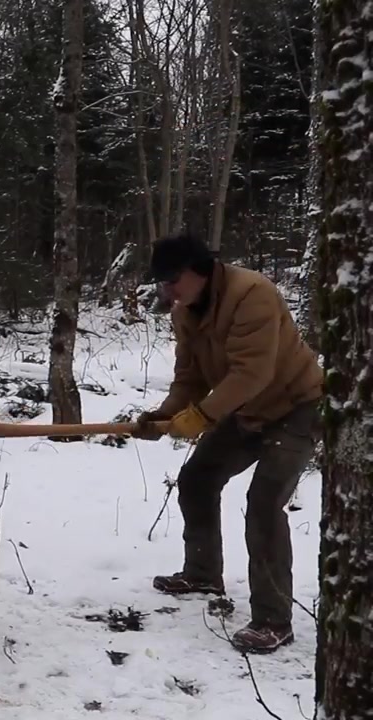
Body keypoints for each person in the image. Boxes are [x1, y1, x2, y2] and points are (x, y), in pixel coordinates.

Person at [135, 233, 323, 654]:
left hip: (295, 408)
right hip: (244, 410)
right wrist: (165, 416)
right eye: (161, 282)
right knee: (198, 479)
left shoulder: (252, 294)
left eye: (172, 279)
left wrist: (202, 416)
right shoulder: (185, 312)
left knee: (264, 502)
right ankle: (203, 573)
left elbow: (251, 372)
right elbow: (190, 378)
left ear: (199, 271)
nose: (167, 290)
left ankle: (273, 620)